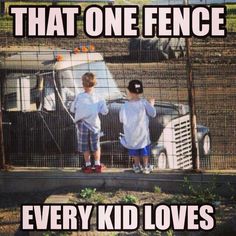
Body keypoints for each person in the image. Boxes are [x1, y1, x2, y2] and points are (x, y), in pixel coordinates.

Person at [70, 72, 108, 173]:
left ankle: (87, 166)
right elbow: (105, 111)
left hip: (82, 125)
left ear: (82, 84)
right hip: (94, 125)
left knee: (84, 146)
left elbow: (72, 109)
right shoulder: (99, 97)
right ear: (95, 84)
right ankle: (97, 165)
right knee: (96, 146)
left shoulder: (79, 97)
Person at [119, 80, 156, 174]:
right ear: (141, 91)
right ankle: (146, 166)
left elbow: (121, 119)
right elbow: (153, 114)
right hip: (142, 134)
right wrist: (151, 104)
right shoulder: (144, 103)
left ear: (129, 91)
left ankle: (136, 166)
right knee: (144, 149)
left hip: (131, 134)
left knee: (134, 149)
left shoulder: (125, 105)